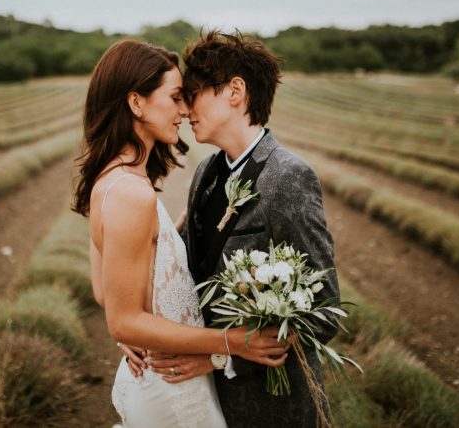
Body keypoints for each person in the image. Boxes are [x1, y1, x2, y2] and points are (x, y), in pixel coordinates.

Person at [72, 39, 288, 428]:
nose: (184, 110)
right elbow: (123, 321)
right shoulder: (132, 194)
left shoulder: (111, 181)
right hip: (172, 391)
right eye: (175, 98)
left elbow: (107, 291)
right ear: (136, 103)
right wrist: (233, 343)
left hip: (161, 378)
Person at [143, 30, 340, 428]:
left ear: (235, 91)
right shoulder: (206, 174)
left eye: (194, 92)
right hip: (207, 401)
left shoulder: (288, 177)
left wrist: (220, 355)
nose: (184, 107)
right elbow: (185, 275)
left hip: (272, 406)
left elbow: (323, 311)